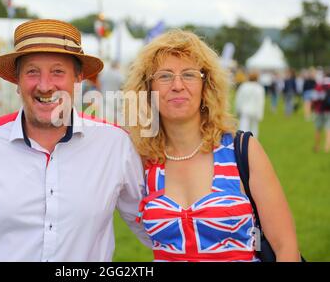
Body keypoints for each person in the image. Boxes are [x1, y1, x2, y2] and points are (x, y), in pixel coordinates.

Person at [0, 19, 151, 262]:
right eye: (32, 72)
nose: (45, 85)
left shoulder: (115, 145)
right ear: (17, 80)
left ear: (78, 77)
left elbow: (159, 227)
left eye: (58, 71)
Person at [123, 29, 301, 262]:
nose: (177, 85)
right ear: (148, 90)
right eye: (164, 76)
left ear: (206, 85)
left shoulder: (242, 150)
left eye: (188, 74)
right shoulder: (142, 159)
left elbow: (285, 248)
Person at [235, 72, 265, 138]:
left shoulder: (244, 86)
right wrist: (260, 114)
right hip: (255, 111)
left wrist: (237, 110)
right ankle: (253, 143)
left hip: (245, 110)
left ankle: (243, 142)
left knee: (243, 127)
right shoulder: (259, 88)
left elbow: (239, 99)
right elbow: (261, 102)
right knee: (254, 128)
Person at [311, 70, 330, 153]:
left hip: (319, 110)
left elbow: (314, 98)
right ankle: (327, 147)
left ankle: (317, 146)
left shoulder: (319, 85)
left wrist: (313, 107)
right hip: (329, 110)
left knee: (318, 129)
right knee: (328, 129)